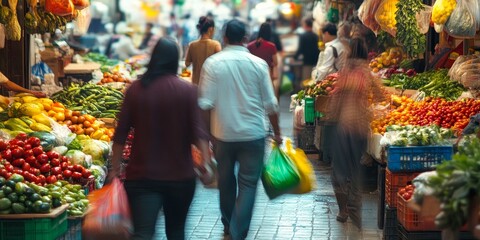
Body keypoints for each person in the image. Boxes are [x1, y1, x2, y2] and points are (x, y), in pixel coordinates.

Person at [109, 37, 212, 240]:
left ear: (154, 58)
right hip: (180, 177)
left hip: (142, 177)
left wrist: (114, 169)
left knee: (143, 233)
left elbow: (120, 135)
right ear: (175, 60)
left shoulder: (136, 90)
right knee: (176, 232)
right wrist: (206, 166)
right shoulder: (188, 91)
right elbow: (198, 133)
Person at [198, 19, 282, 240]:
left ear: (224, 38)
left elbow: (205, 104)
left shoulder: (213, 64)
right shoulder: (258, 64)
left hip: (222, 134)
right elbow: (271, 105)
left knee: (225, 181)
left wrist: (206, 137)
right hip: (254, 135)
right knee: (248, 185)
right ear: (246, 39)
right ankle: (237, 232)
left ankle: (228, 224)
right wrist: (278, 132)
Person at [326, 38, 385, 229]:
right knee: (354, 170)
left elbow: (335, 98)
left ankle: (343, 210)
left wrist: (330, 118)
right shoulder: (367, 72)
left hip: (344, 127)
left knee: (339, 171)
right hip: (361, 128)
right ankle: (355, 210)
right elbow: (381, 95)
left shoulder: (345, 71)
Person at [185, 16, 221, 85]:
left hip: (196, 85)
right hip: (210, 85)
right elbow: (220, 67)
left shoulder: (192, 45)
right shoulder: (216, 45)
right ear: (211, 29)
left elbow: (187, 64)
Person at [294, 17, 320, 81]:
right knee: (314, 80)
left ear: (305, 25)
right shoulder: (316, 36)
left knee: (306, 81)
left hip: (307, 62)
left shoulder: (303, 36)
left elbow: (300, 49)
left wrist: (295, 57)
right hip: (316, 62)